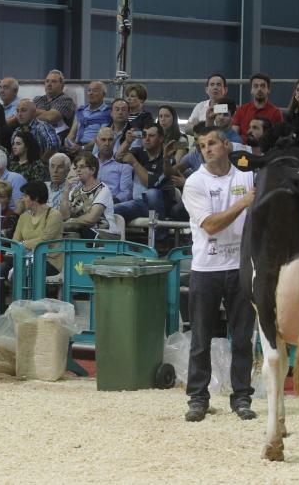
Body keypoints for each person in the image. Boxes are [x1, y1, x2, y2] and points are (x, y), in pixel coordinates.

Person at [181, 126, 256, 422]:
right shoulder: (194, 182)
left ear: (226, 145)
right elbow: (210, 225)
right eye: (202, 145)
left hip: (241, 267)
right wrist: (243, 202)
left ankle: (241, 398)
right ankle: (198, 398)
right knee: (201, 338)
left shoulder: (247, 176)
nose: (207, 149)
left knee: (242, 338)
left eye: (212, 143)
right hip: (205, 268)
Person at [114, 124, 174, 232]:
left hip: (160, 205)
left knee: (152, 193)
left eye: (151, 136)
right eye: (144, 135)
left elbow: (151, 183)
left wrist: (135, 163)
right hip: (139, 203)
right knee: (112, 209)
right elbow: (118, 157)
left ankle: (160, 237)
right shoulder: (139, 151)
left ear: (160, 138)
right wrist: (128, 142)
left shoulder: (166, 158)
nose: (147, 139)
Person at [61, 152, 120, 239]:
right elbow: (64, 215)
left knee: (72, 236)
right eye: (76, 167)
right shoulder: (74, 190)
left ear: (92, 170)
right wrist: (66, 190)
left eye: (81, 167)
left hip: (103, 235)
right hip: (79, 232)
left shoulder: (103, 190)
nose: (77, 170)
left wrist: (70, 221)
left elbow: (91, 219)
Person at [13, 181, 64, 275]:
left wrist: (23, 244)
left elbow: (44, 242)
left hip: (49, 261)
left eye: (25, 196)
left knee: (25, 273)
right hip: (25, 258)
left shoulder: (54, 215)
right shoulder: (23, 217)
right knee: (1, 267)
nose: (22, 199)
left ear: (35, 198)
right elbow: (15, 242)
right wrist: (22, 245)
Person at [232, 73, 283, 141]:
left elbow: (277, 137)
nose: (259, 89)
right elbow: (234, 135)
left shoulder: (276, 112)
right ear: (251, 90)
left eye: (262, 86)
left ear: (268, 90)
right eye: (256, 86)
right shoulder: (241, 110)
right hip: (242, 149)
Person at [65, 81, 111, 153]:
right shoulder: (81, 111)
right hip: (75, 146)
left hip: (93, 149)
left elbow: (101, 137)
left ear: (103, 94)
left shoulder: (107, 113)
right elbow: (72, 133)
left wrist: (83, 148)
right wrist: (69, 144)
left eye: (95, 91)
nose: (90, 93)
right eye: (89, 90)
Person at [33, 69, 76, 140]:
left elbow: (51, 117)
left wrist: (32, 114)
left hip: (55, 137)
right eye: (47, 81)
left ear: (62, 85)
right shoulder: (37, 99)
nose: (49, 84)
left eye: (53, 81)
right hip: (35, 134)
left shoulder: (66, 100)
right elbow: (26, 114)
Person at [96, 126, 133, 203]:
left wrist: (112, 201)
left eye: (110, 140)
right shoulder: (88, 162)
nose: (107, 143)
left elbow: (126, 192)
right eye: (103, 140)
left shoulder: (124, 165)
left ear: (115, 142)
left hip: (112, 203)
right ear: (97, 142)